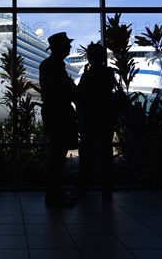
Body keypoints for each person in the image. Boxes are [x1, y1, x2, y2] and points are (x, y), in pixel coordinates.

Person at [39, 32, 79, 206]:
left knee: (58, 154)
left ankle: (56, 192)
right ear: (58, 47)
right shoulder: (51, 65)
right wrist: (70, 88)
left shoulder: (54, 65)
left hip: (57, 112)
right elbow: (56, 90)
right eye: (67, 45)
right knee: (57, 154)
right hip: (57, 113)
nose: (70, 47)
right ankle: (54, 194)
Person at [76, 42, 117, 200]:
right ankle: (107, 189)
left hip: (90, 117)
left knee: (86, 154)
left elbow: (80, 93)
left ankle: (83, 188)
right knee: (106, 153)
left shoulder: (89, 74)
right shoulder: (109, 72)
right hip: (105, 117)